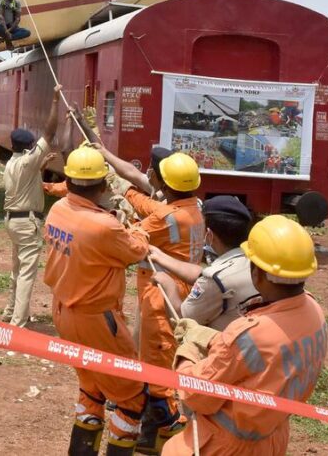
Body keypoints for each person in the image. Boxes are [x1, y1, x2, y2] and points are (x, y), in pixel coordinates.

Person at [163, 215, 326, 455]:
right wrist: (208, 337)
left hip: (228, 444)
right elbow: (264, 359)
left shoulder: (249, 334)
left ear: (257, 273)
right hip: (272, 436)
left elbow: (197, 395)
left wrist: (186, 353)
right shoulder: (313, 312)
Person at [97, 144, 204, 454]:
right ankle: (153, 429)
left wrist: (120, 212)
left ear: (165, 183)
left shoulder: (169, 218)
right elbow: (147, 202)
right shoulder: (192, 208)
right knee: (152, 358)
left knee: (158, 368)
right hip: (177, 288)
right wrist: (124, 190)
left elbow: (135, 233)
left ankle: (162, 434)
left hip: (161, 293)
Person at [43, 145, 150, 456]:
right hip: (97, 319)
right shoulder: (105, 226)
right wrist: (136, 227)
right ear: (103, 185)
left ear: (70, 181)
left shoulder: (59, 209)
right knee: (131, 397)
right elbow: (136, 250)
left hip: (63, 310)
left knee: (92, 387)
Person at [1, 84, 63, 328]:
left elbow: (26, 179)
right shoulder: (28, 161)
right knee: (27, 273)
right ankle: (18, 321)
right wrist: (56, 100)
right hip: (27, 223)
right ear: (28, 148)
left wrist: (42, 166)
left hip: (12, 221)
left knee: (17, 270)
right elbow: (49, 133)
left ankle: (9, 311)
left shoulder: (13, 164)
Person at [149, 195, 258, 331]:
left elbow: (181, 321)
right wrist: (162, 257)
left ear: (209, 235)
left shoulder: (215, 281)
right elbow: (203, 274)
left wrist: (168, 285)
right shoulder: (256, 260)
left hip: (222, 347)